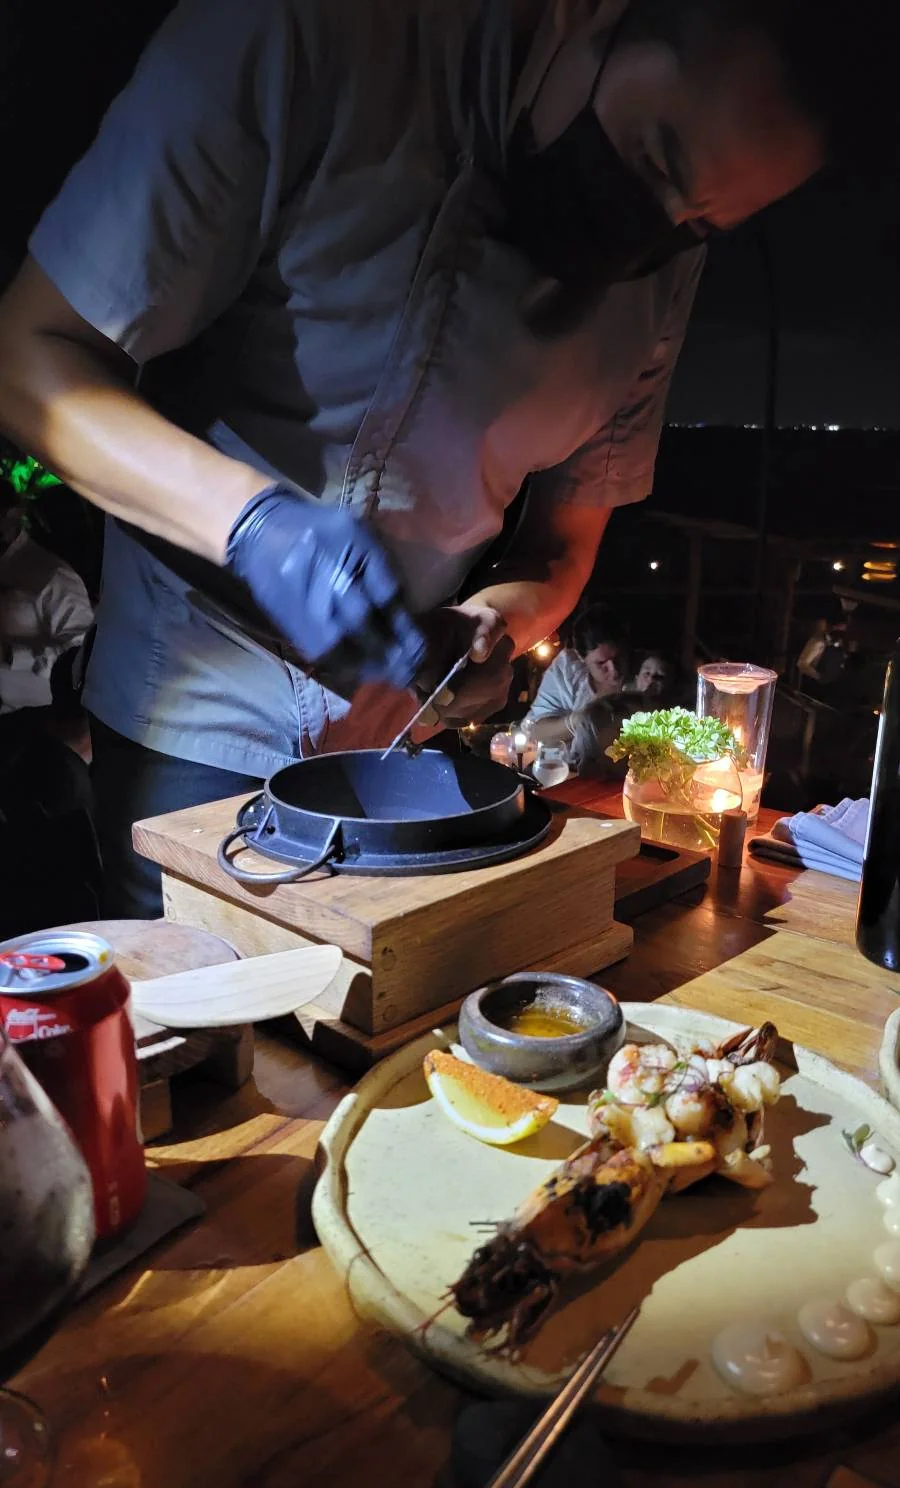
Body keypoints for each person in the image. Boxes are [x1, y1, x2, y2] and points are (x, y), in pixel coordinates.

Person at [0, 0, 871, 913]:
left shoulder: (664, 258)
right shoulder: (301, 35)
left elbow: (566, 538)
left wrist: (497, 620)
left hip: (398, 737)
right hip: (191, 689)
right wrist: (251, 524)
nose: (650, 230)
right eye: (655, 157)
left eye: (702, 222)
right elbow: (29, 357)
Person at [0, 483, 93, 715]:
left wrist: (13, 656)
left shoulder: (54, 576)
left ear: (15, 513)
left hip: (31, 724)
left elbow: (81, 657)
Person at [527, 605, 628, 745]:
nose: (614, 670)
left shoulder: (647, 673)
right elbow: (538, 732)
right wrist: (579, 719)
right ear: (581, 657)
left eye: (618, 658)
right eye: (601, 663)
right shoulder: (567, 670)